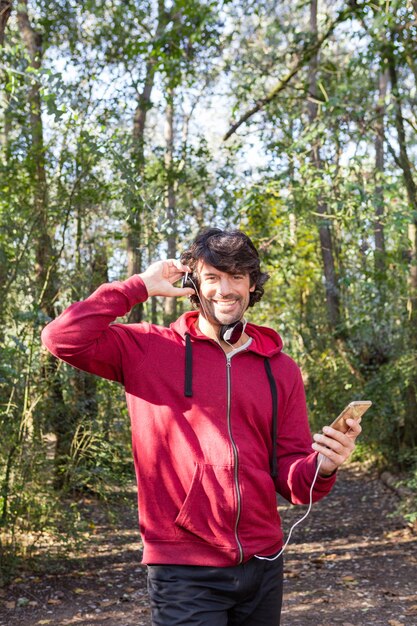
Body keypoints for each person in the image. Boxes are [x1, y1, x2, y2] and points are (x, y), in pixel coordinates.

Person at [41, 227, 362, 625]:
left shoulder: (281, 369)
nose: (224, 290)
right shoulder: (148, 349)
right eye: (212, 277)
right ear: (193, 282)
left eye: (236, 277)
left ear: (252, 285)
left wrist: (325, 464)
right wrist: (139, 285)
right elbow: (61, 338)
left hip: (264, 564)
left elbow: (292, 478)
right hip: (183, 568)